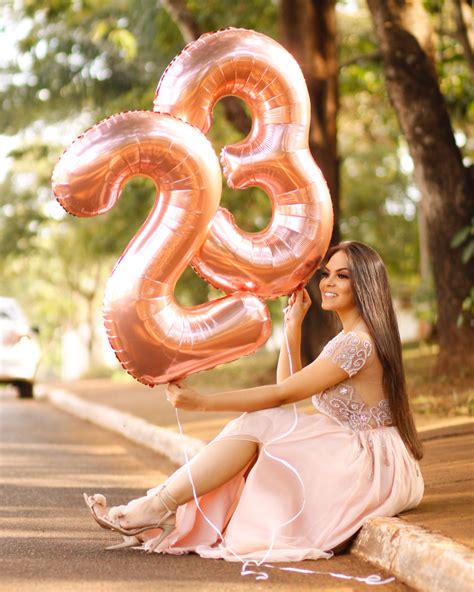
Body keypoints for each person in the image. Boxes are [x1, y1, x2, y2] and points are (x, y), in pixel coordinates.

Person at [84, 240, 424, 562]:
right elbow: (286, 393)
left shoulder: (357, 343)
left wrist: (202, 403)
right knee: (265, 424)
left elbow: (282, 394)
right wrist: (293, 327)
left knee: (260, 423)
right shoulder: (351, 337)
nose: (328, 282)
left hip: (369, 463)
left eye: (342, 275)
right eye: (327, 273)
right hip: (356, 450)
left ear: (364, 284)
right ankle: (158, 508)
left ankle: (157, 508)